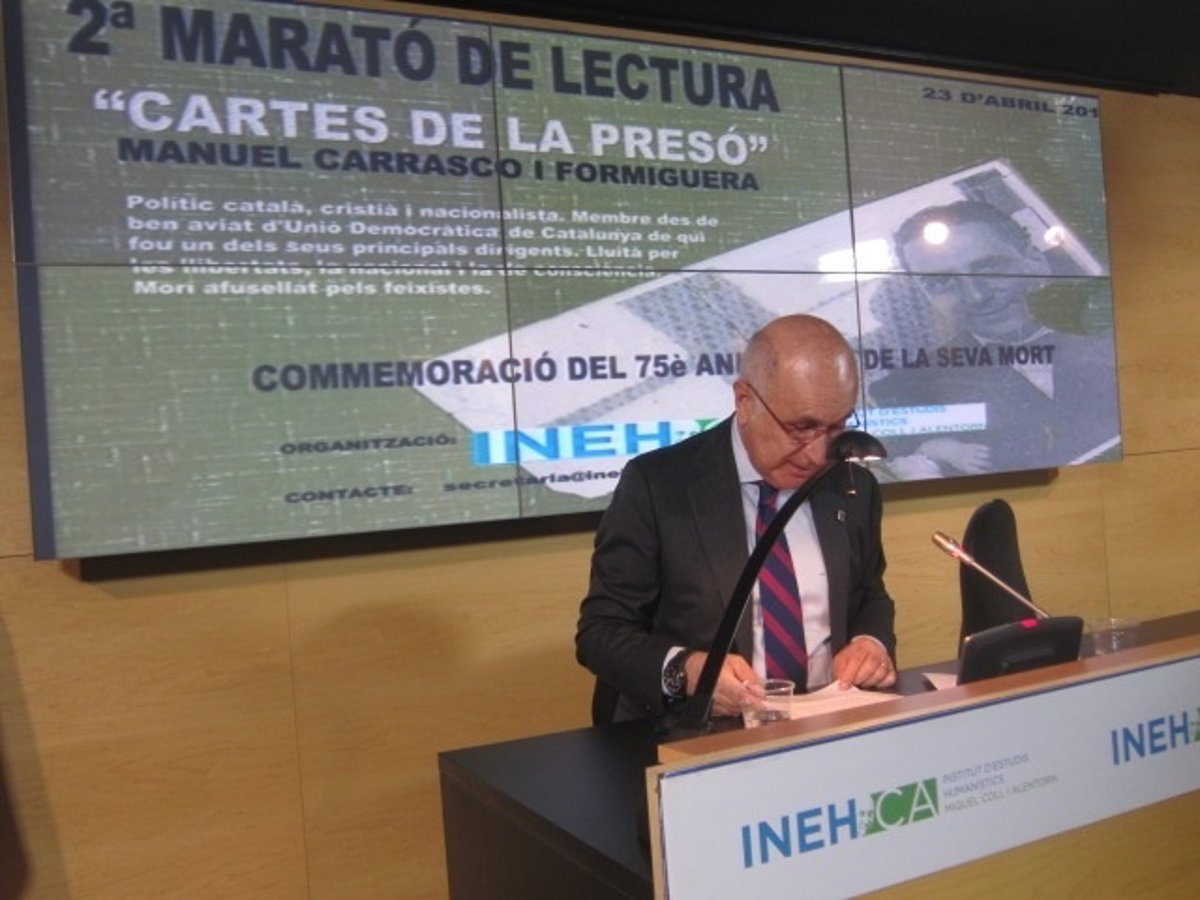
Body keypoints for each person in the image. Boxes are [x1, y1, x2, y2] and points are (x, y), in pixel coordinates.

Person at [575, 315, 897, 723]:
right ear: (745, 402)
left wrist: (871, 642)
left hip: (825, 726)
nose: (819, 454)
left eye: (837, 427)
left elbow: (869, 594)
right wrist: (686, 671)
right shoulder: (658, 485)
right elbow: (601, 632)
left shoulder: (852, 486)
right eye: (802, 428)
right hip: (701, 736)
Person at [869, 200, 1120, 477]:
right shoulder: (909, 390)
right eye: (941, 282)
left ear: (1035, 261)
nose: (976, 295)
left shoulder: (1114, 323)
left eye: (988, 268)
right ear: (926, 296)